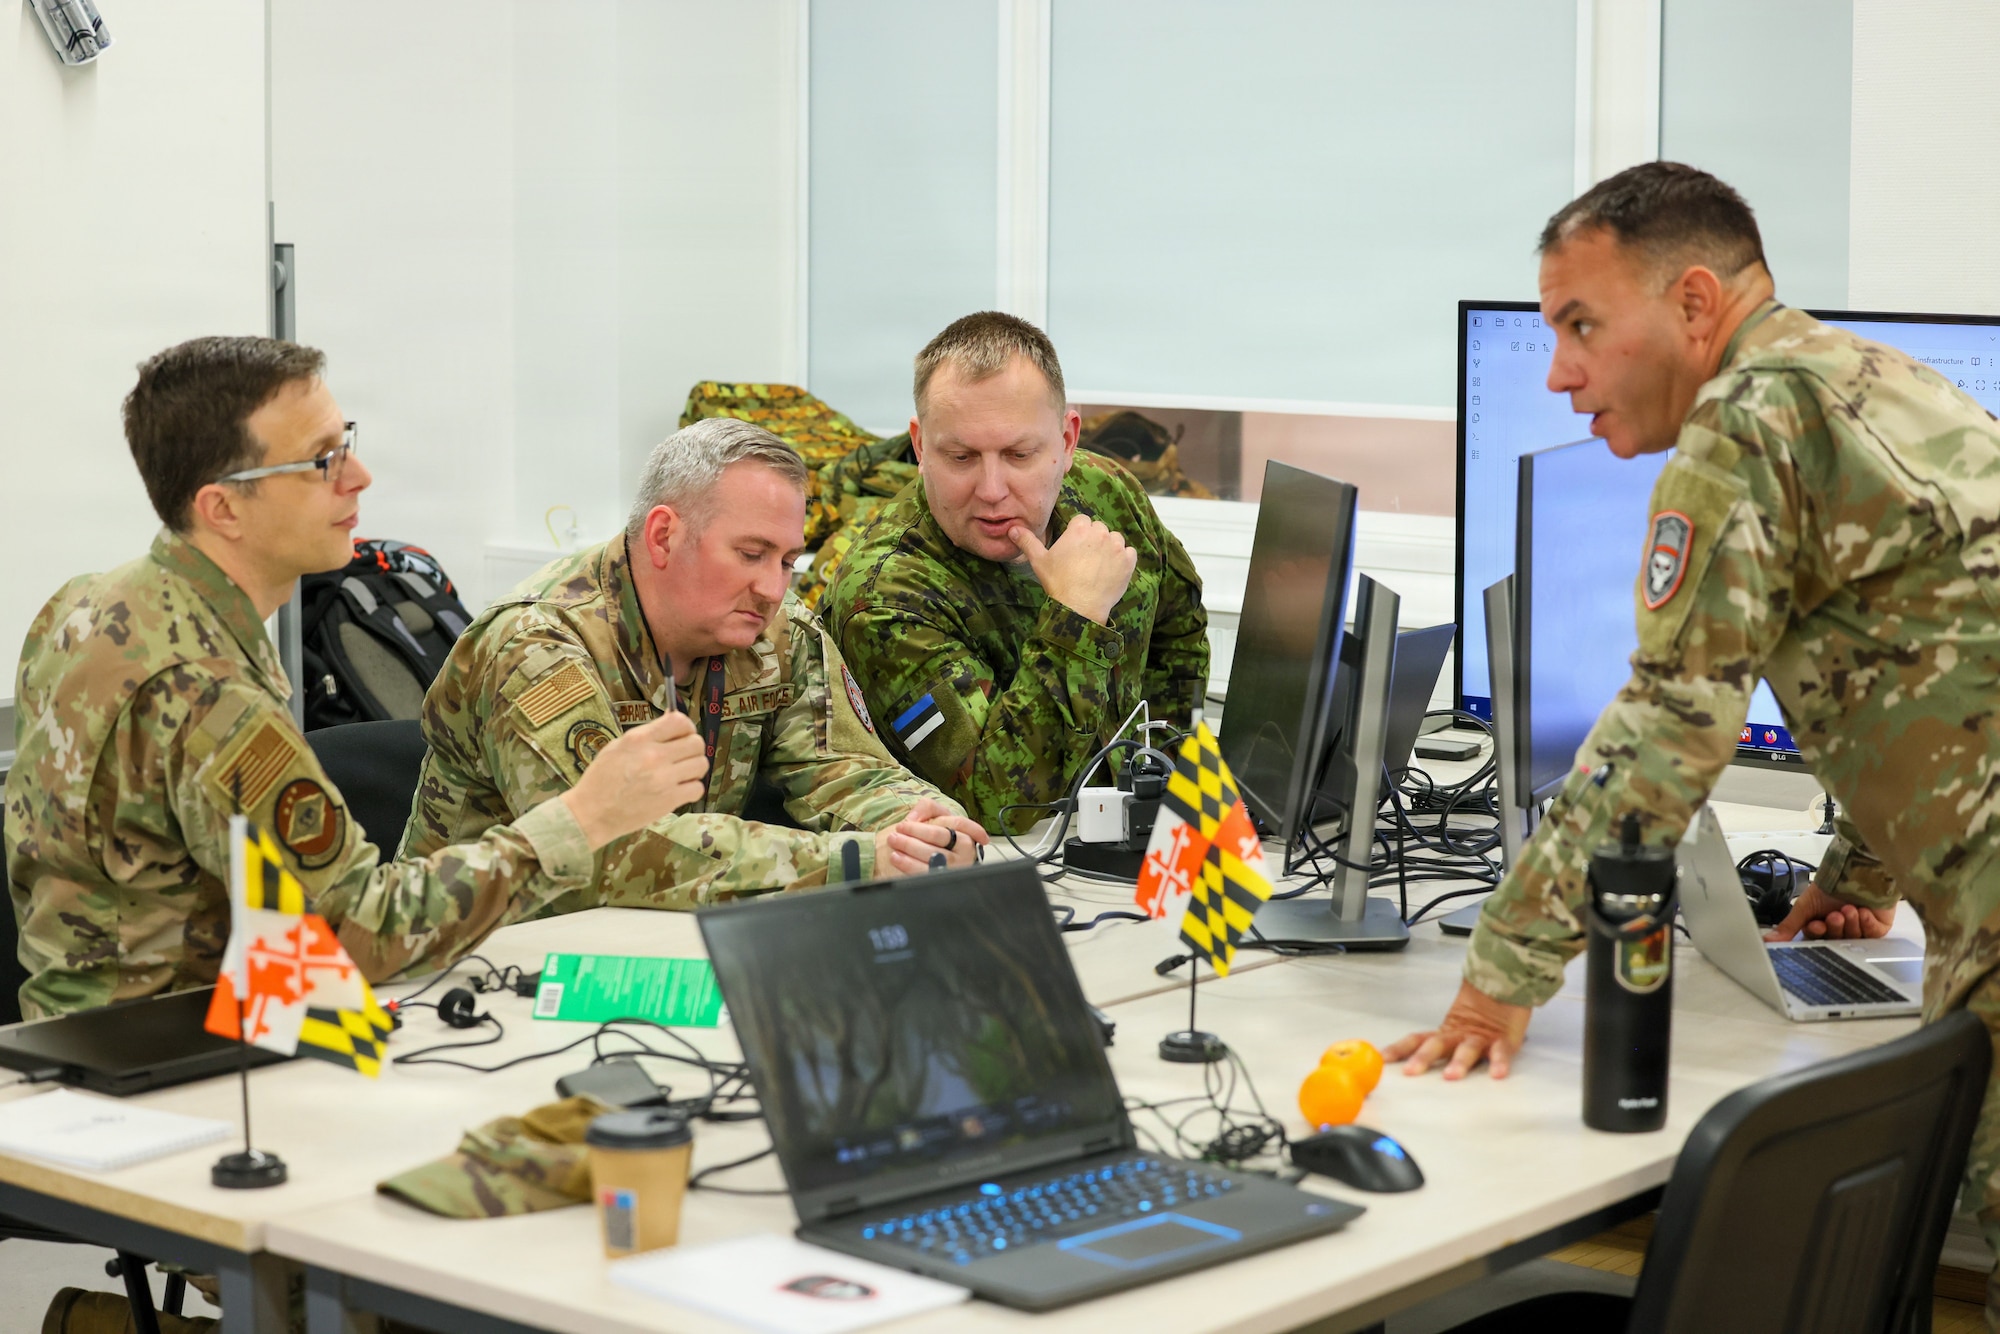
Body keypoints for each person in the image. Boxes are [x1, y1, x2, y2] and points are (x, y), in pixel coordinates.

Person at [1382, 163, 2000, 1315]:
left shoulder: (1746, 418)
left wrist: (1498, 974)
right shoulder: (1865, 379)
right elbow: (1929, 645)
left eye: (1579, 325)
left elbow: (1670, 723)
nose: (1560, 371)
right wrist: (1856, 874)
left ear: (1694, 304)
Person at [4, 337, 711, 1021]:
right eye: (320, 462)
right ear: (222, 509)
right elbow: (360, 932)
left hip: (85, 1040)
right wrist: (585, 817)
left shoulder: (87, 603)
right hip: (179, 1066)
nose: (358, 475)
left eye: (344, 441)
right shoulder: (208, 689)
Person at [401, 417, 987, 906]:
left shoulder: (776, 634)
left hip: (657, 937)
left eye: (787, 561)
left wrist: (924, 827)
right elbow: (603, 852)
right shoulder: (536, 646)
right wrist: (859, 859)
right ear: (662, 537)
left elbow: (844, 770)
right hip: (480, 960)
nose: (772, 587)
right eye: (751, 554)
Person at [824, 311, 1209, 833]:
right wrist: (1076, 618)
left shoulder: (1105, 493)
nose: (990, 489)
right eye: (960, 457)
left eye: (1020, 454)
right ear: (919, 446)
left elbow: (1177, 631)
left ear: (1068, 441)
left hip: (1124, 837)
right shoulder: (885, 598)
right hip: (999, 861)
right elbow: (998, 804)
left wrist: (1159, 785)